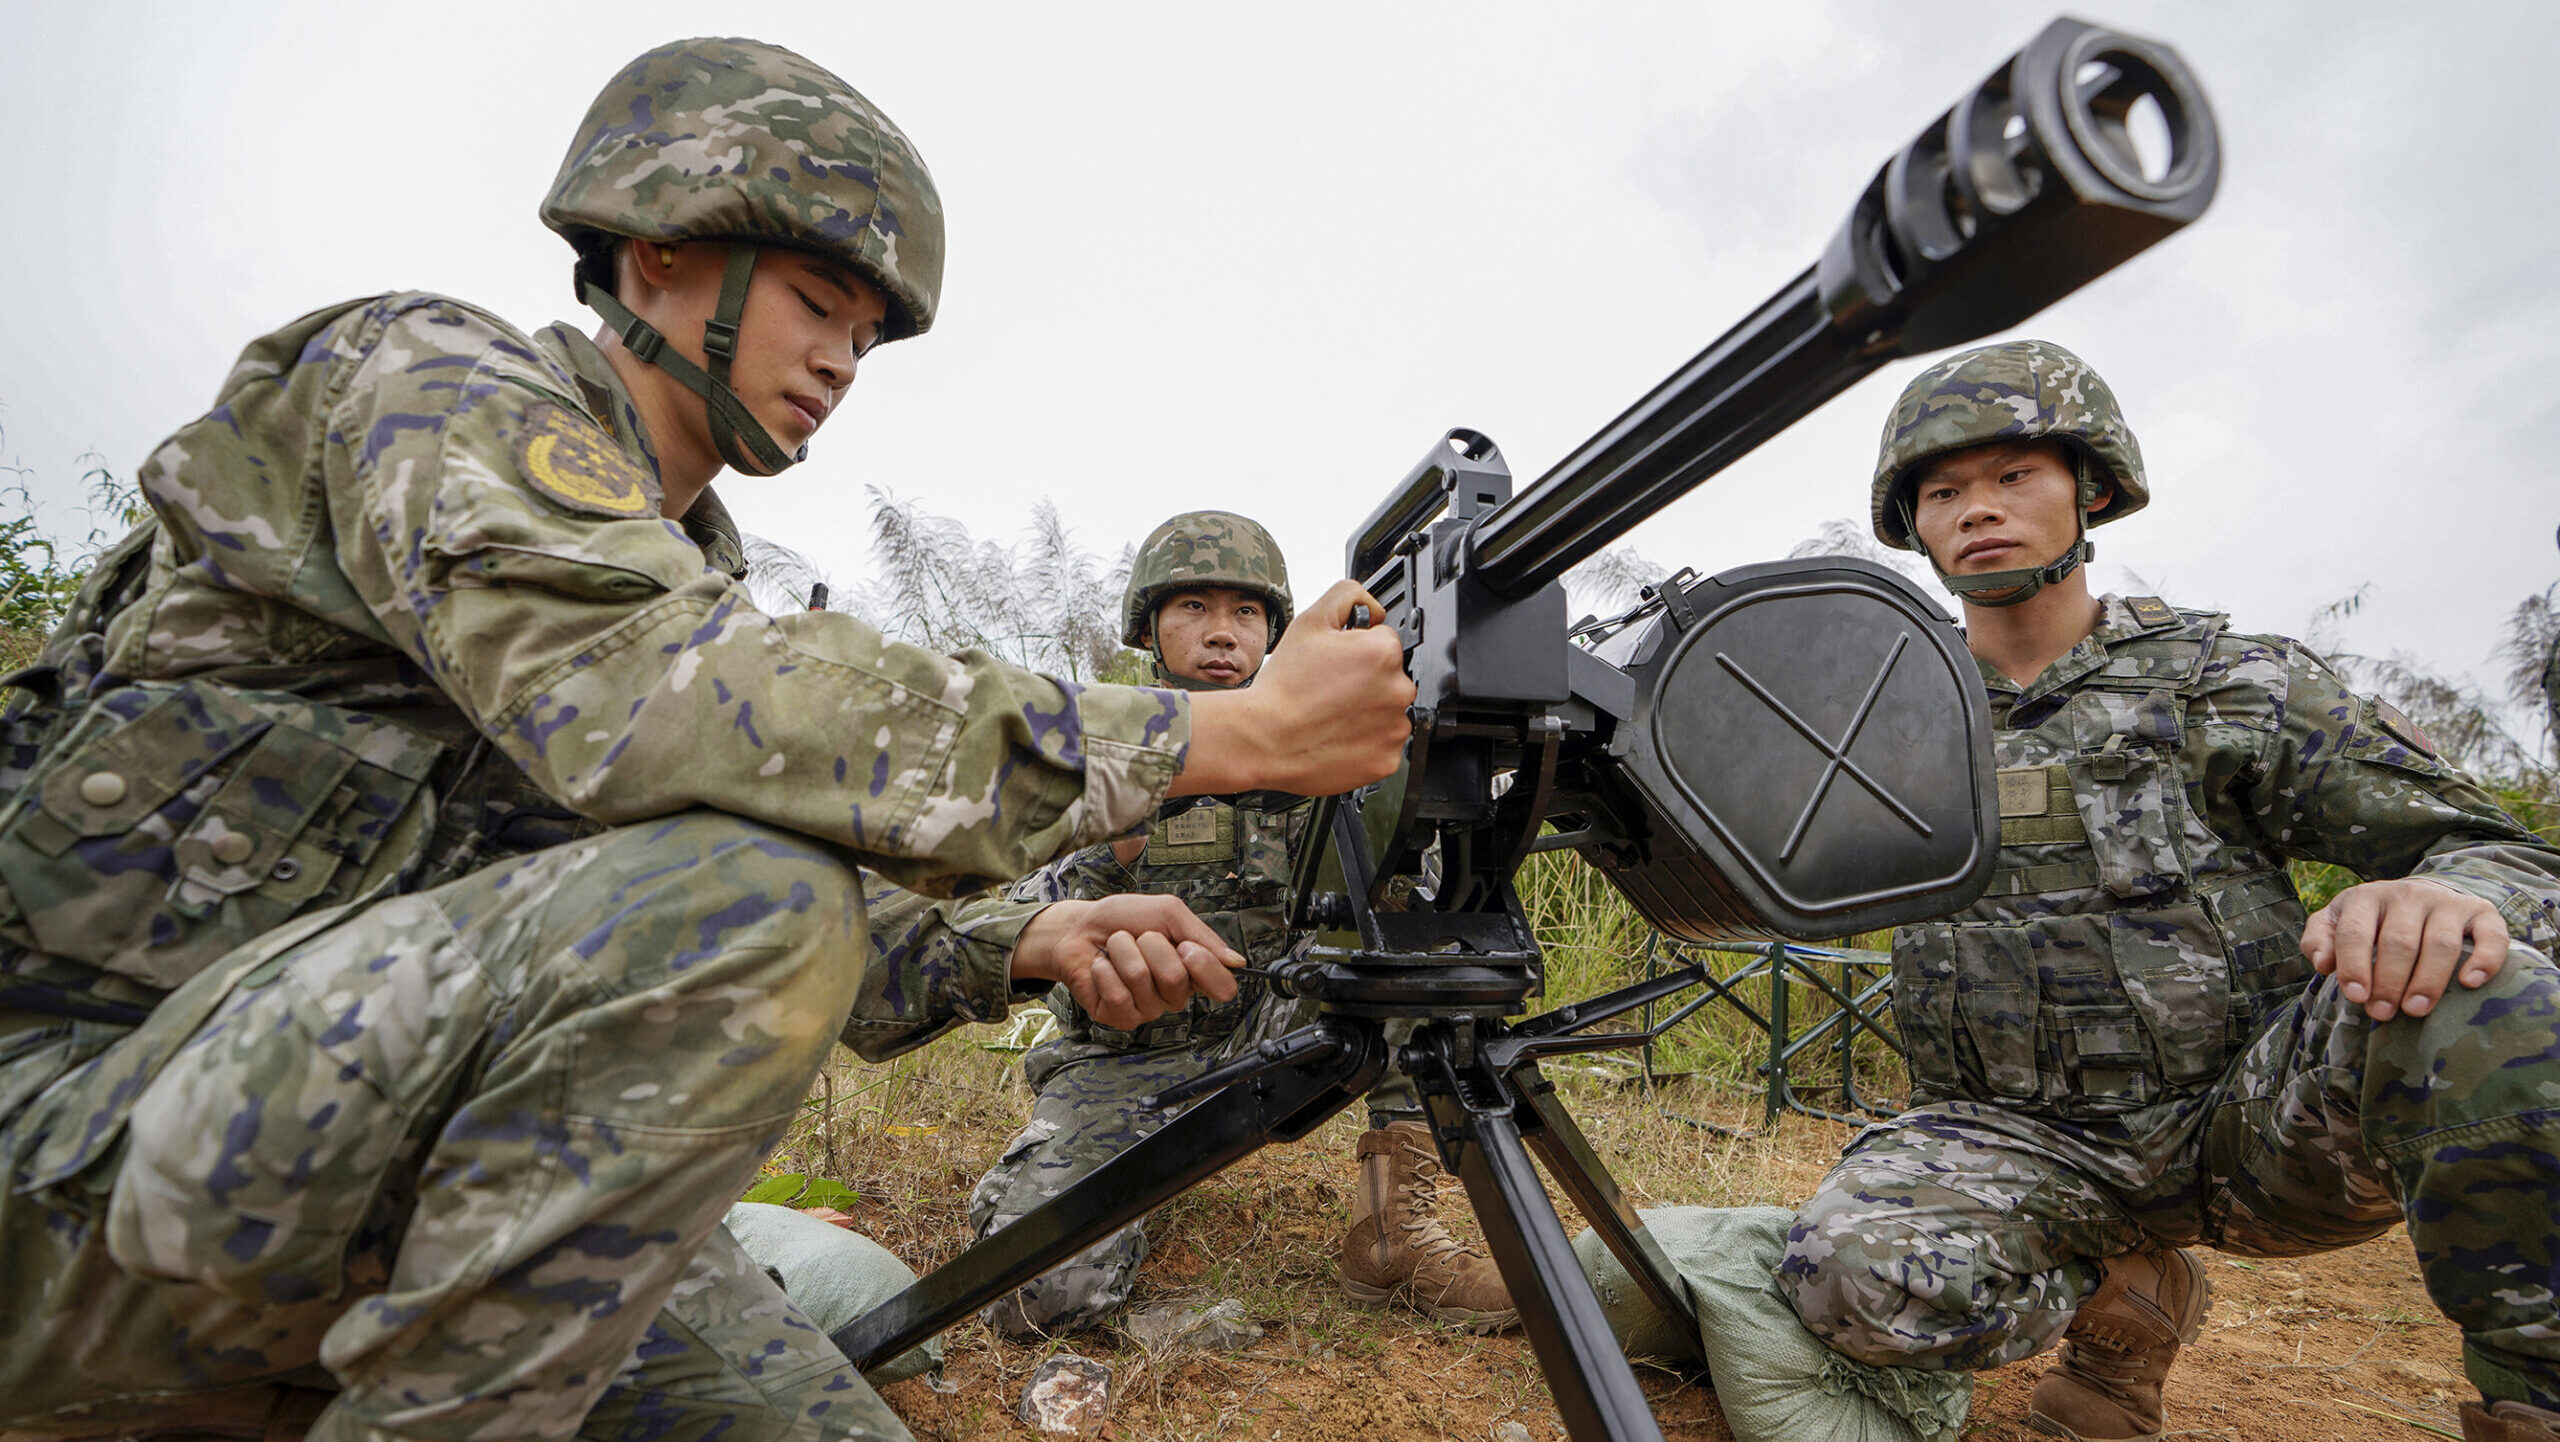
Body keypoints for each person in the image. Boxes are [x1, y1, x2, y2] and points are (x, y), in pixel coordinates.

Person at [0, 37, 1414, 1442]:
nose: (844, 359)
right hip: (72, 1179)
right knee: (756, 896)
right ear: (657, 251)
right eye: (817, 300)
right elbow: (668, 711)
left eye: (868, 333)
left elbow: (773, 945)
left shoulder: (691, 595)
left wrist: (1026, 944)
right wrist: (1223, 733)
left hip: (388, 1183)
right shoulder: (424, 385)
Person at [1774, 338, 2560, 1442]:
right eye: (1942, 491)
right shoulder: (1869, 726)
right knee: (1846, 1279)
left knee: (2498, 995)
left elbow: (2504, 853)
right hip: (2009, 1141)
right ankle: (2124, 1303)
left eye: (2012, 476)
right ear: (1914, 527)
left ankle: (2536, 1397)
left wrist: (2441, 895)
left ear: (2088, 490)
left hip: (2254, 1121)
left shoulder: (2232, 681)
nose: (1976, 509)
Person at [857, 509, 1518, 1343]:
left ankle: (1389, 1239)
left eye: (1245, 613)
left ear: (1275, 633)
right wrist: (1087, 882)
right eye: (1193, 609)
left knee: (1422, 956)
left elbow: (1419, 886)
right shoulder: (1097, 736)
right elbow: (977, 903)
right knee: (1038, 1297)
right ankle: (1133, 1188)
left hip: (1287, 1024)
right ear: (1150, 628)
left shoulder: (1326, 748)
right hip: (1139, 1056)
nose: (1220, 633)